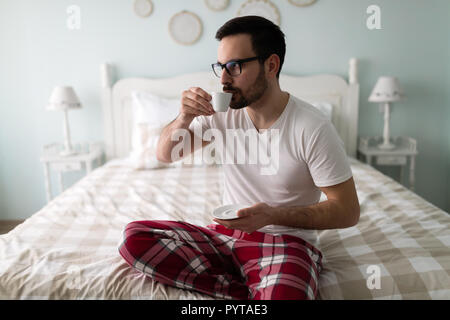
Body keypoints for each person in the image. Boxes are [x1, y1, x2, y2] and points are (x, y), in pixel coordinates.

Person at [119, 16, 360, 300]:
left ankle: (253, 284)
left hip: (286, 245)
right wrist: (184, 117)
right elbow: (165, 154)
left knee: (286, 294)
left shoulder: (312, 127)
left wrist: (272, 215)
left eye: (234, 66)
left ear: (270, 65)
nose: (223, 79)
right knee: (134, 238)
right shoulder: (221, 113)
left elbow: (347, 211)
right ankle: (248, 290)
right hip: (223, 238)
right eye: (220, 67)